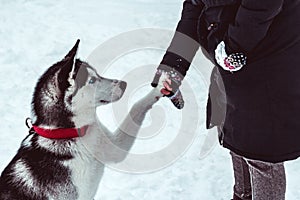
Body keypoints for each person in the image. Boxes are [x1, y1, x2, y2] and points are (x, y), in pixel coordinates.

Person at [151, 0, 300, 199]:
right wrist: (173, 67)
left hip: (269, 63)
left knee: (261, 153)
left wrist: (233, 46)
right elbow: (195, 7)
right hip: (233, 65)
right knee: (238, 141)